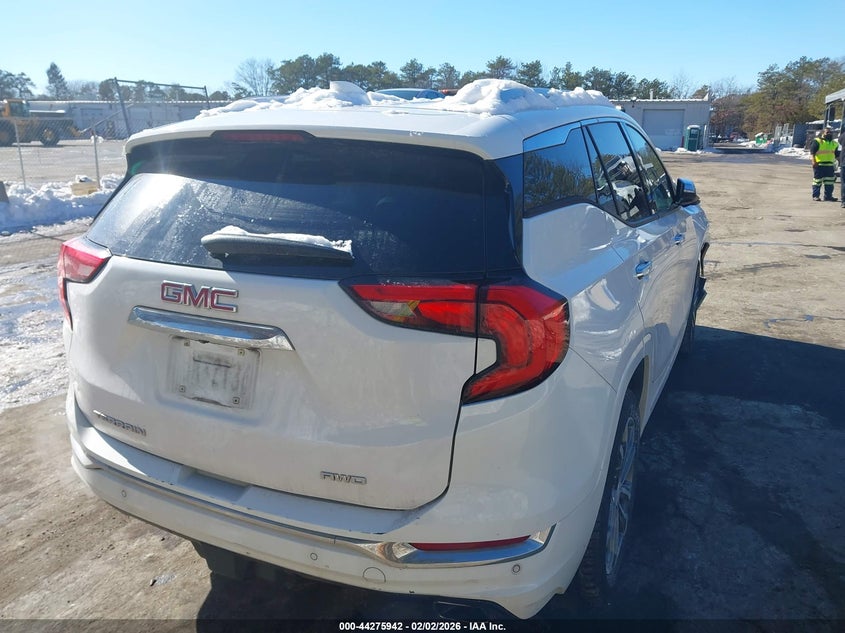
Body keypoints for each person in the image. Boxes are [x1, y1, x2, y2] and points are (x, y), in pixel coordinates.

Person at [810, 127, 840, 201]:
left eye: (830, 132)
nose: (829, 134)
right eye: (827, 132)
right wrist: (813, 161)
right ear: (823, 133)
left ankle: (828, 196)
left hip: (829, 166)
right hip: (819, 165)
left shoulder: (834, 143)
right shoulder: (817, 141)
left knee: (829, 182)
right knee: (817, 182)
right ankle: (816, 196)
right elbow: (812, 153)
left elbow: (836, 155)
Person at [839, 127, 845, 207]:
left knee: (844, 183)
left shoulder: (843, 135)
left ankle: (844, 201)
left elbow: (840, 141)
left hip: (844, 162)